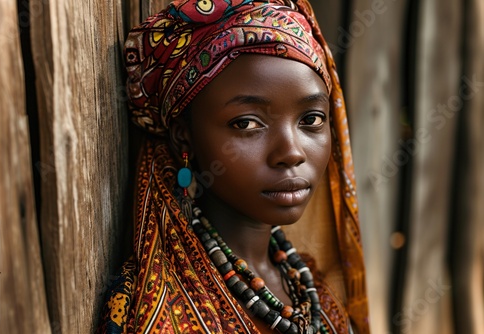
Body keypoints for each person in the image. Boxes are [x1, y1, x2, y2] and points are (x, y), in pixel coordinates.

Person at [98, 0, 370, 333]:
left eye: (311, 119)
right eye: (246, 124)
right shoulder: (148, 303)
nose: (291, 152)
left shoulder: (316, 298)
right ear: (185, 137)